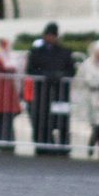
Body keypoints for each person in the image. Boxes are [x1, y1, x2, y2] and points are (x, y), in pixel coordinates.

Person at [25, 22, 76, 154]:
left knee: (62, 119)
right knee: (42, 119)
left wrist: (60, 75)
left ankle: (63, 146)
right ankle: (42, 145)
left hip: (60, 92)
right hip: (43, 93)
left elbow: (71, 71)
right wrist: (45, 75)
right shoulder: (37, 52)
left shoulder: (65, 52)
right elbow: (30, 70)